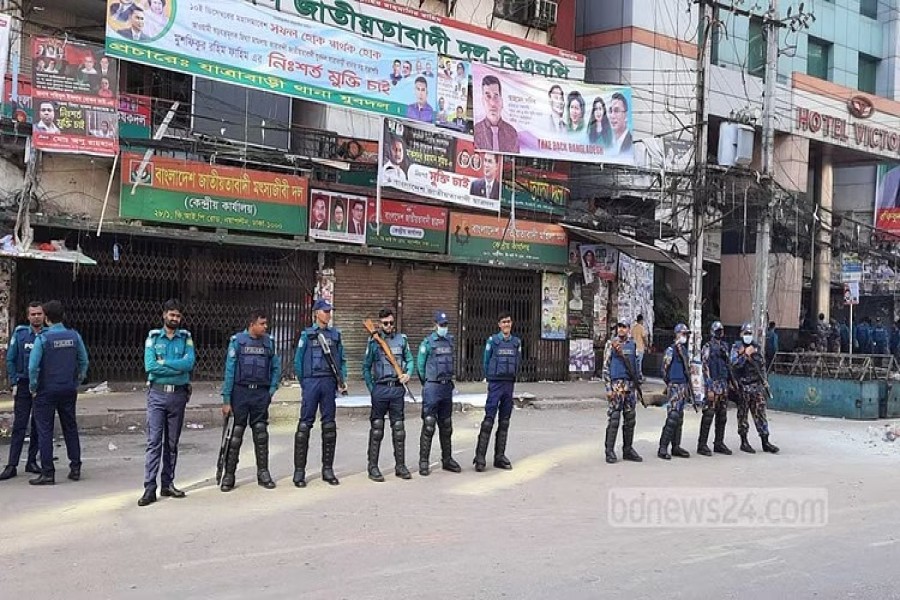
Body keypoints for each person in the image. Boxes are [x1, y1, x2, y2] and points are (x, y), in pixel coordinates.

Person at [138, 299, 195, 506]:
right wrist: (176, 368)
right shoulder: (153, 338)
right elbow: (150, 367)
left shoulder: (186, 338)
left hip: (178, 396)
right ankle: (149, 488)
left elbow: (189, 364)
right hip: (157, 395)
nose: (175, 319)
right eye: (171, 315)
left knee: (172, 443)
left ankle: (168, 483)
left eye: (178, 316)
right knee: (154, 443)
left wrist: (166, 363)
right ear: (164, 315)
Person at [220, 309, 282, 492]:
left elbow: (276, 368)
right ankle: (229, 475)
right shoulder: (237, 342)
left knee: (261, 434)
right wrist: (226, 399)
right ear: (252, 324)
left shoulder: (269, 343)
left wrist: (271, 391)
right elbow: (229, 371)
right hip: (241, 393)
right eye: (262, 323)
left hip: (260, 394)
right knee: (236, 435)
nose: (265, 326)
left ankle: (263, 473)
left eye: (266, 323)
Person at [28, 300, 89, 485]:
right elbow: (84, 362)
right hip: (68, 389)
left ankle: (48, 473)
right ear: (63, 317)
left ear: (46, 318)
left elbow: (32, 367)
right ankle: (75, 467)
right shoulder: (74, 336)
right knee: (70, 427)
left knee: (45, 430)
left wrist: (33, 387)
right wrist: (76, 381)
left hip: (46, 390)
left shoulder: (42, 339)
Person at [293, 299, 346, 488]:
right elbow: (298, 363)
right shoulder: (307, 336)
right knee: (305, 426)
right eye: (325, 311)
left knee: (329, 426)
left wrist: (342, 380)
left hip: (328, 383)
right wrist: (305, 384)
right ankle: (299, 472)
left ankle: (327, 469)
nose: (328, 314)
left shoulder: (335, 335)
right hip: (311, 382)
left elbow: (341, 360)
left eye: (329, 311)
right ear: (317, 313)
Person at [362, 308, 414, 482]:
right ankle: (373, 467)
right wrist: (372, 389)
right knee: (377, 429)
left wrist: (407, 374)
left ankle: (400, 466)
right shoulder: (373, 342)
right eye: (385, 323)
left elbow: (410, 360)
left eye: (391, 322)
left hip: (397, 389)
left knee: (399, 430)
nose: (389, 325)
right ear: (379, 324)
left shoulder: (402, 340)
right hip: (381, 389)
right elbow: (366, 368)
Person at [0, 302, 45, 481]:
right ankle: (12, 464)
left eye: (39, 314)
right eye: (33, 314)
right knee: (19, 425)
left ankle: (32, 461)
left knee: (37, 425)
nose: (36, 317)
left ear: (44, 315)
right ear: (28, 316)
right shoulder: (20, 334)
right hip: (24, 384)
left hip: (41, 386)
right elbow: (10, 359)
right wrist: (14, 382)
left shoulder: (47, 335)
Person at [474, 312, 522, 471]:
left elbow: (518, 362)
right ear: (499, 325)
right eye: (504, 322)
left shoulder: (516, 342)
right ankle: (480, 457)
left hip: (509, 384)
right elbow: (486, 361)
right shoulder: (493, 341)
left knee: (505, 421)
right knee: (489, 420)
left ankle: (499, 456)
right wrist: (490, 378)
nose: (507, 324)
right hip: (495, 384)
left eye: (509, 321)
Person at [416, 310, 461, 476]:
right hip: (432, 387)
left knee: (446, 425)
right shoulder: (427, 343)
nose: (444, 327)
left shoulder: (450, 342)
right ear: (435, 325)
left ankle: (447, 459)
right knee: (429, 425)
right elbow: (420, 367)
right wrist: (427, 383)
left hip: (446, 387)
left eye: (446, 325)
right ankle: (424, 462)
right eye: (441, 325)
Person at [731, 322, 779, 454]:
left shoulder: (756, 347)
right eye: (746, 333)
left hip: (756, 386)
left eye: (750, 333)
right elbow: (734, 365)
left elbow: (762, 365)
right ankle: (744, 442)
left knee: (761, 414)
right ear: (741, 334)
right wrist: (745, 355)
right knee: (743, 415)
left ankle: (765, 441)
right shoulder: (736, 348)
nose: (748, 335)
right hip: (743, 387)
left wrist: (764, 381)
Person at [601, 320, 642, 463]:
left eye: (624, 327)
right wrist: (608, 388)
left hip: (630, 386)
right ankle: (609, 450)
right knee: (614, 418)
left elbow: (637, 365)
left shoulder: (633, 345)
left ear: (628, 329)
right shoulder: (611, 345)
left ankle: (628, 449)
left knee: (630, 418)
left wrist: (638, 385)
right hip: (617, 386)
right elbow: (605, 368)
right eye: (619, 326)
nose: (621, 329)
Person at [658, 323, 692, 460]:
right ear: (677, 334)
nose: (685, 337)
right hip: (674, 385)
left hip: (683, 385)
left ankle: (676, 446)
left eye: (686, 335)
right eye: (683, 334)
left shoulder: (684, 350)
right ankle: (663, 447)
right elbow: (664, 369)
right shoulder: (671, 350)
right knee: (672, 417)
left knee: (679, 418)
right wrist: (670, 384)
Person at [698, 321, 732, 457]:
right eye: (718, 330)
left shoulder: (725, 347)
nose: (720, 333)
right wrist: (709, 388)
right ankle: (702, 444)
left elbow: (728, 365)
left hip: (723, 385)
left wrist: (730, 383)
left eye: (721, 330)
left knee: (722, 416)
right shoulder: (707, 347)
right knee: (708, 415)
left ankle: (719, 443)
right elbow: (705, 368)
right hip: (713, 385)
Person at [474, 75, 520, 153]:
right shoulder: (476, 131)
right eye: (488, 96)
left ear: (501, 100)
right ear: (482, 101)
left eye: (496, 96)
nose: (492, 103)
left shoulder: (512, 133)